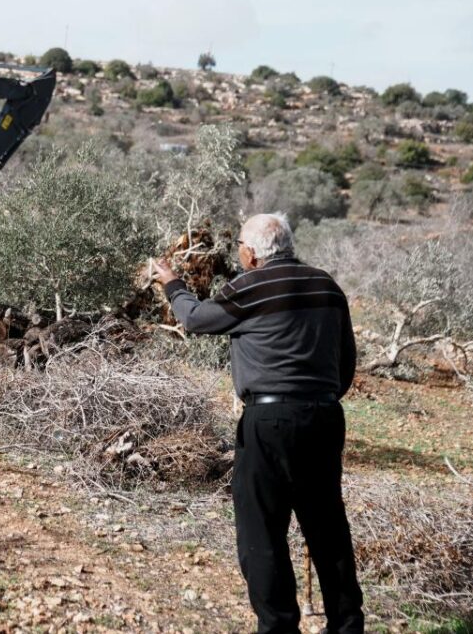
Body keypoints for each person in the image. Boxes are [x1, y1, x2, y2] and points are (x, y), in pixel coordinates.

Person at [153, 213, 364, 634]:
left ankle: (278, 627)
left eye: (240, 250)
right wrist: (318, 400)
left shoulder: (249, 288)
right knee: (327, 528)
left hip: (268, 421)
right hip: (324, 416)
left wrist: (171, 283)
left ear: (250, 254)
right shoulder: (327, 285)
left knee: (262, 532)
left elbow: (195, 319)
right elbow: (346, 361)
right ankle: (347, 626)